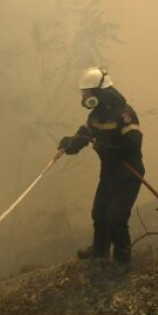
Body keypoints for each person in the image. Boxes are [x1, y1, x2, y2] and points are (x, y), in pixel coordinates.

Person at [58, 67, 145, 266]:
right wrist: (69, 144)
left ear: (98, 92)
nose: (84, 97)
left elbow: (133, 143)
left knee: (116, 217)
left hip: (128, 175)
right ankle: (101, 250)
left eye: (86, 93)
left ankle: (123, 261)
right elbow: (84, 135)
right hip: (109, 173)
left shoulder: (124, 114)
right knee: (99, 213)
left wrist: (110, 151)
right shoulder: (96, 115)